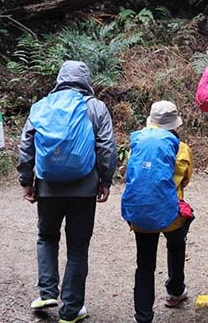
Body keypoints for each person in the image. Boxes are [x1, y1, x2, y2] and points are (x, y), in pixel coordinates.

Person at [17, 60, 117, 323]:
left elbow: (26, 145)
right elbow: (106, 147)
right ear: (86, 80)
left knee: (46, 237)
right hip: (84, 189)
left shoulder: (42, 106)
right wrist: (105, 180)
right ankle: (71, 311)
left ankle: (47, 291)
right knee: (78, 248)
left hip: (48, 187)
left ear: (60, 78)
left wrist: (26, 181)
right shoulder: (95, 107)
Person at [122, 101, 193, 322]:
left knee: (144, 264)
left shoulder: (138, 143)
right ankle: (175, 291)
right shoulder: (181, 148)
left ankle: (143, 315)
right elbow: (186, 180)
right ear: (174, 124)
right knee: (176, 245)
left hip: (141, 212)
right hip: (171, 214)